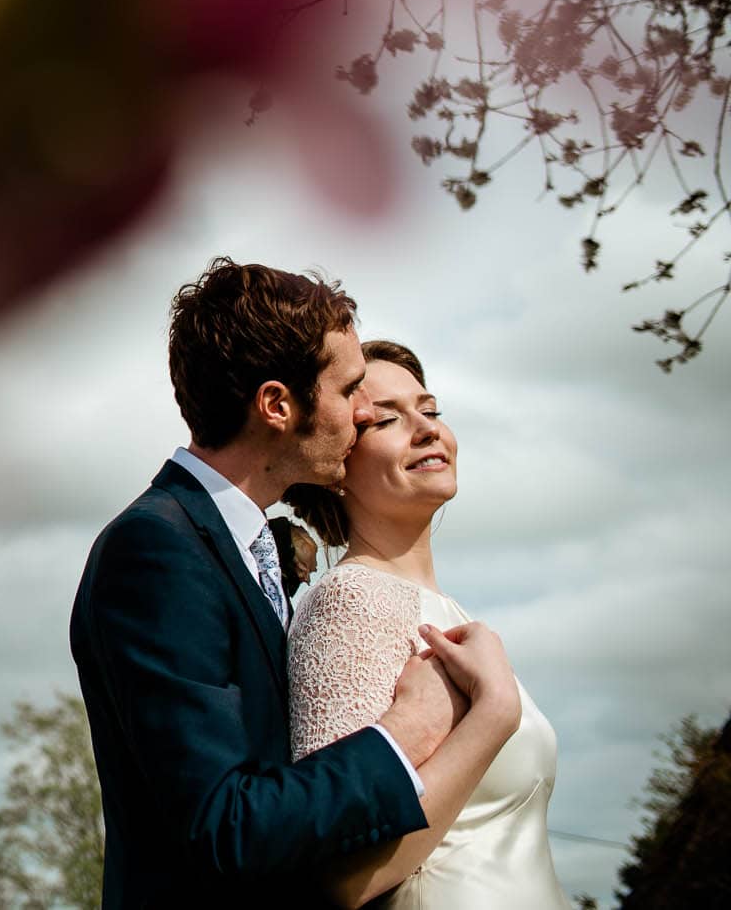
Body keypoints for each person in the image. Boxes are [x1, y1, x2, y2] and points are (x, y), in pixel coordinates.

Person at [70, 258, 508, 909]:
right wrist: (405, 729)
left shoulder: (235, 543)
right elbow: (227, 822)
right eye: (349, 389)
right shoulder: (156, 547)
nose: (363, 414)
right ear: (277, 404)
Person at [284, 340, 569, 908]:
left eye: (431, 409)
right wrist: (492, 716)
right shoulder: (351, 600)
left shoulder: (451, 614)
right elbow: (339, 872)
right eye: (386, 419)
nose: (425, 429)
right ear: (335, 462)